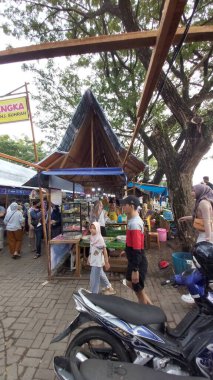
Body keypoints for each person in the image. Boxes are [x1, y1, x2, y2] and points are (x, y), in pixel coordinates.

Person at [179, 183, 213, 303]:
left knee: (197, 264)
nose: (192, 193)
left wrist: (208, 239)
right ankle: (200, 291)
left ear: (200, 191)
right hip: (204, 235)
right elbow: (200, 217)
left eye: (193, 190)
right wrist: (188, 217)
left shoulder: (204, 203)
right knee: (200, 265)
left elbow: (208, 221)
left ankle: (193, 293)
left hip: (206, 236)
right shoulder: (202, 201)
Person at [119, 195, 152, 305]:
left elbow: (137, 249)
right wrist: (126, 250)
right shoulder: (132, 220)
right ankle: (152, 309)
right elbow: (133, 243)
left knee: (138, 291)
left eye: (125, 205)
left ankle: (145, 316)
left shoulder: (134, 223)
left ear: (132, 206)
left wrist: (135, 270)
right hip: (134, 259)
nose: (122, 207)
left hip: (137, 261)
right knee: (132, 285)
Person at [88, 222, 116, 295]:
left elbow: (105, 251)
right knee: (100, 274)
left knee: (94, 278)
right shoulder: (91, 237)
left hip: (97, 262)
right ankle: (109, 287)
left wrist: (106, 262)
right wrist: (89, 258)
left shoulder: (100, 239)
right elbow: (92, 249)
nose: (92, 230)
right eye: (91, 228)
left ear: (97, 229)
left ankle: (94, 294)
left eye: (94, 228)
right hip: (93, 260)